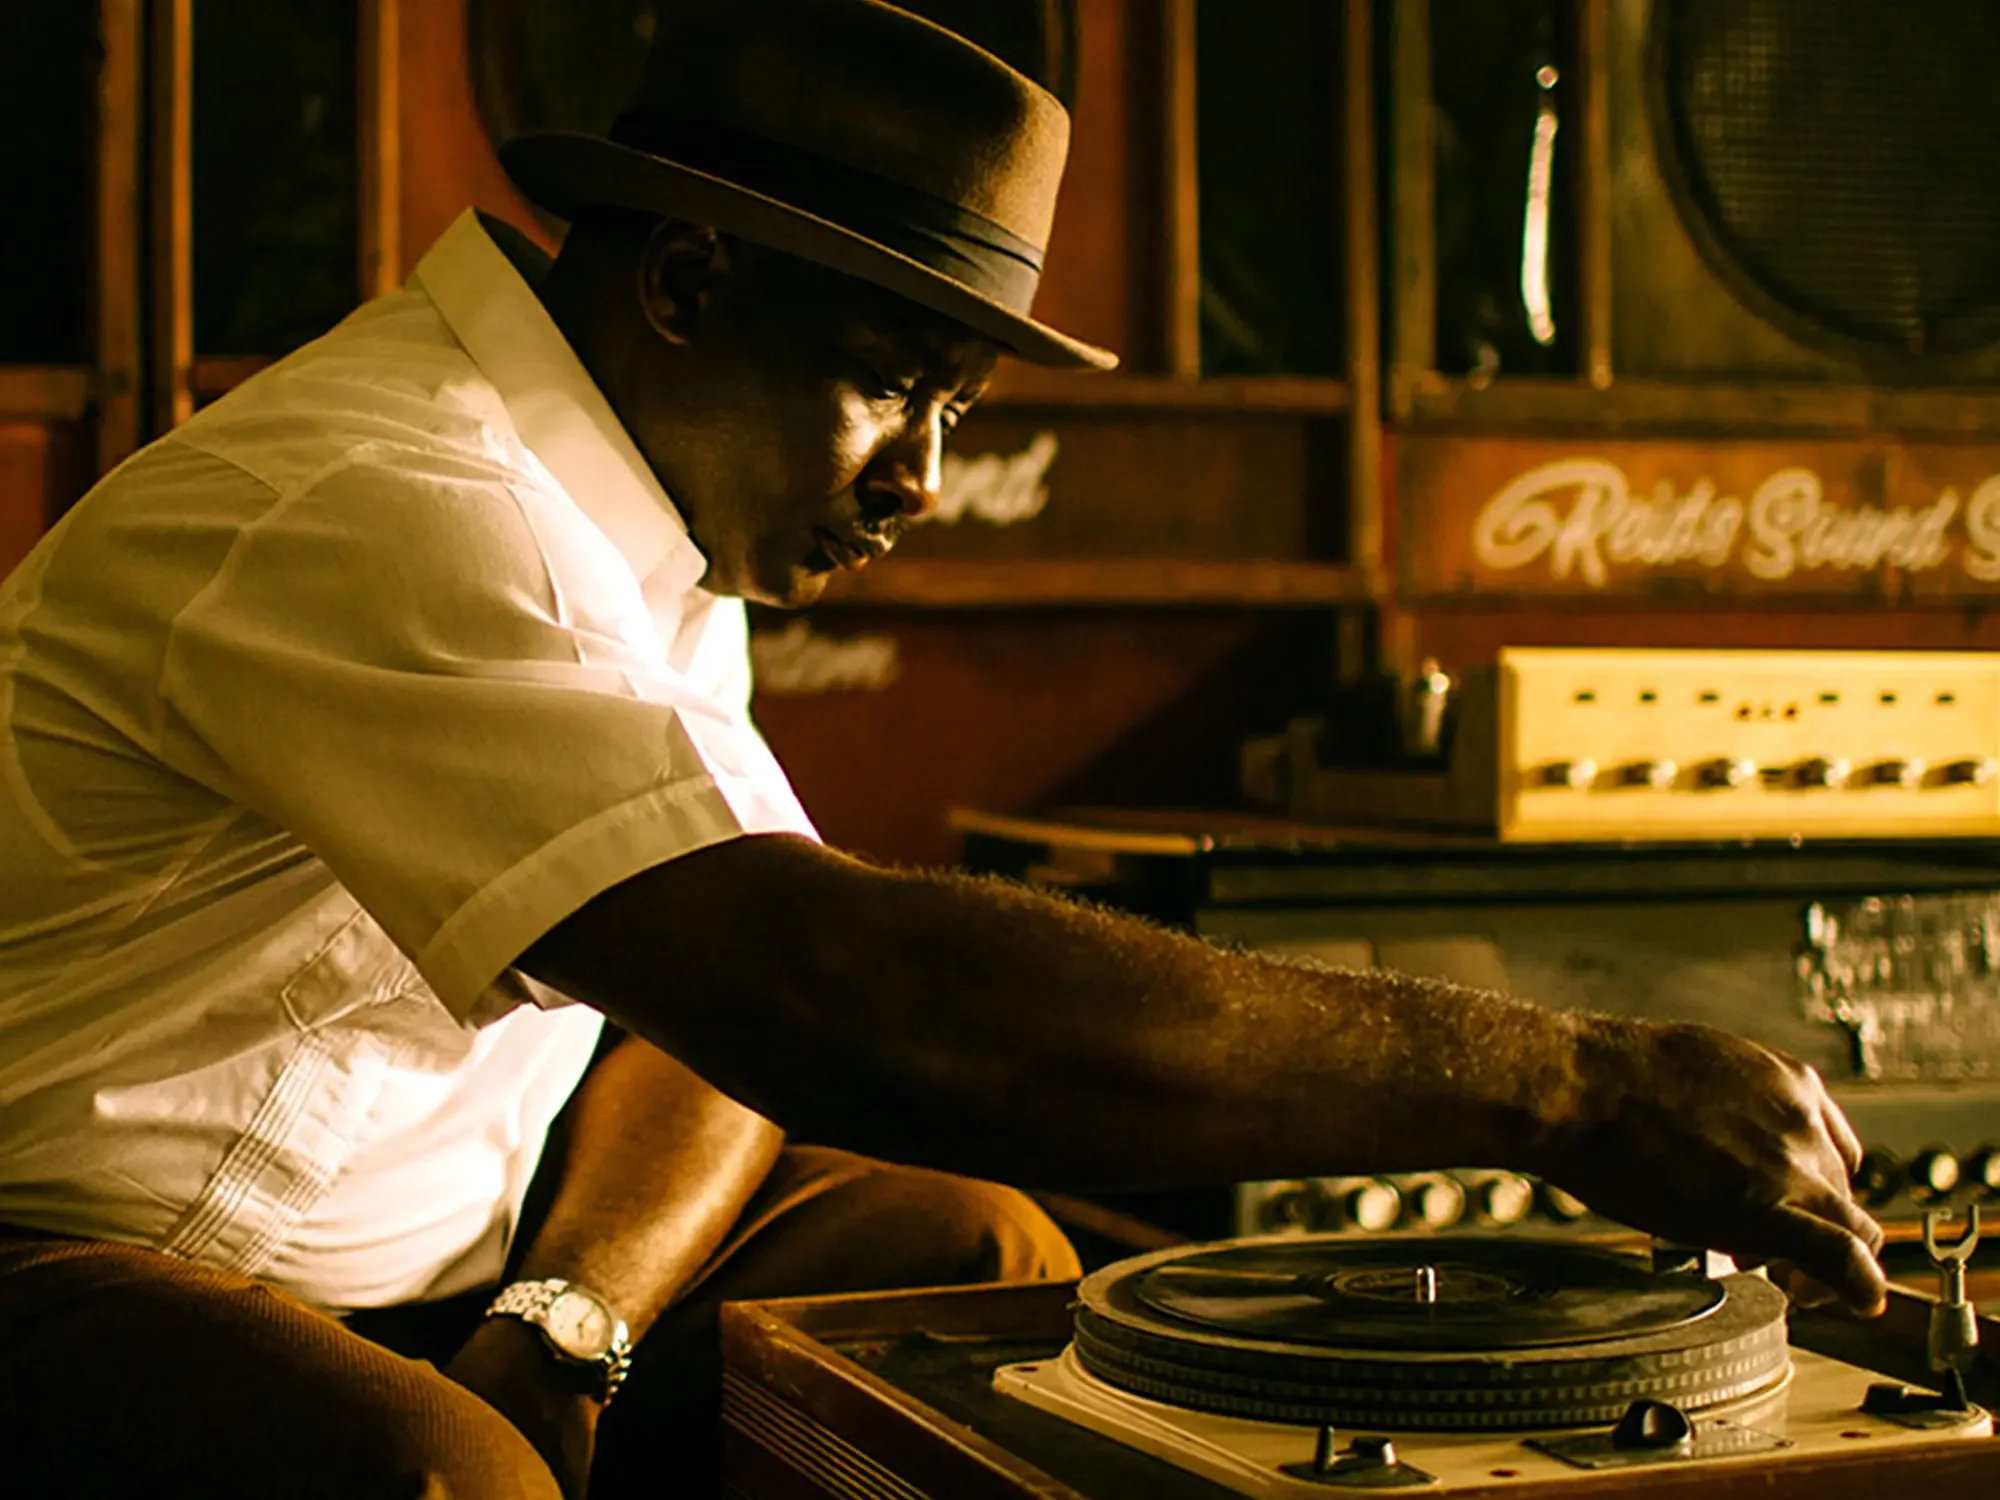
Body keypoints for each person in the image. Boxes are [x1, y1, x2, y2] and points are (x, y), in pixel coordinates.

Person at [0, 3, 1884, 1497]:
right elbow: (835, 996)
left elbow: (702, 1010)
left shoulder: (659, 512)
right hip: (71, 1255)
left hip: (453, 1255)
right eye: (893, 384)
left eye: (955, 406)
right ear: (686, 286)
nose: (921, 481)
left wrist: (572, 1324)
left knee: (988, 1270)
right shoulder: (388, 500)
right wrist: (1562, 1087)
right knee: (442, 1478)